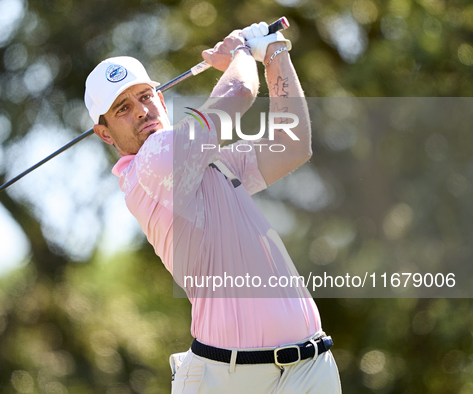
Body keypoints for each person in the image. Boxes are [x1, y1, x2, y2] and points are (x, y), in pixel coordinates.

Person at [84, 22, 342, 393]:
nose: (141, 110)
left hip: (310, 368)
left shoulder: (210, 163)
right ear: (105, 133)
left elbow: (293, 144)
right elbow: (239, 91)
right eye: (123, 108)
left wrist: (274, 53)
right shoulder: (152, 163)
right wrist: (239, 51)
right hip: (233, 378)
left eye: (146, 95)